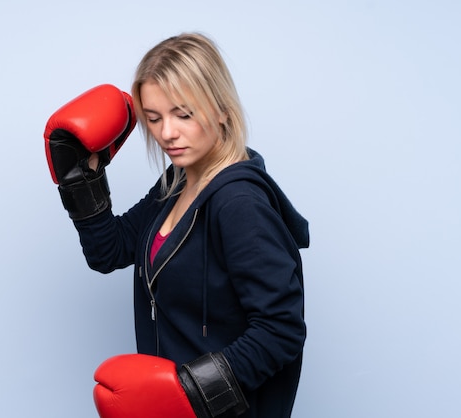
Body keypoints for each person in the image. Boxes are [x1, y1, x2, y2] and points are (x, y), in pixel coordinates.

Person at [44, 33, 309, 418]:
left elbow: (281, 330)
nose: (167, 133)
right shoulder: (177, 182)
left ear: (221, 109)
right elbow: (109, 250)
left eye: (183, 114)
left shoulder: (239, 203)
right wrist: (81, 176)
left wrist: (187, 393)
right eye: (153, 118)